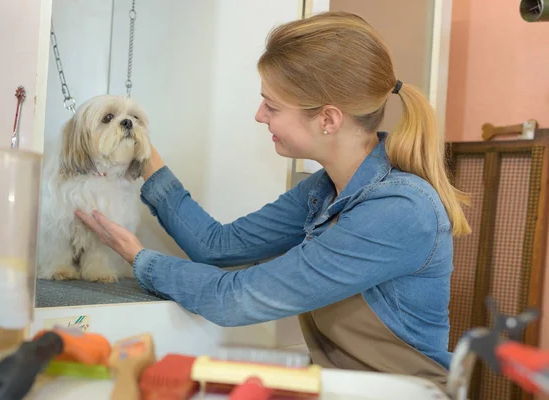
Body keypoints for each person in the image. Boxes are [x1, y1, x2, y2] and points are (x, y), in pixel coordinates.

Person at [76, 11, 471, 388]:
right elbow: (217, 245)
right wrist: (143, 152)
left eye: (272, 105)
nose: (259, 115)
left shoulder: (399, 211)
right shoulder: (324, 189)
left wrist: (141, 259)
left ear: (328, 120)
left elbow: (235, 298)